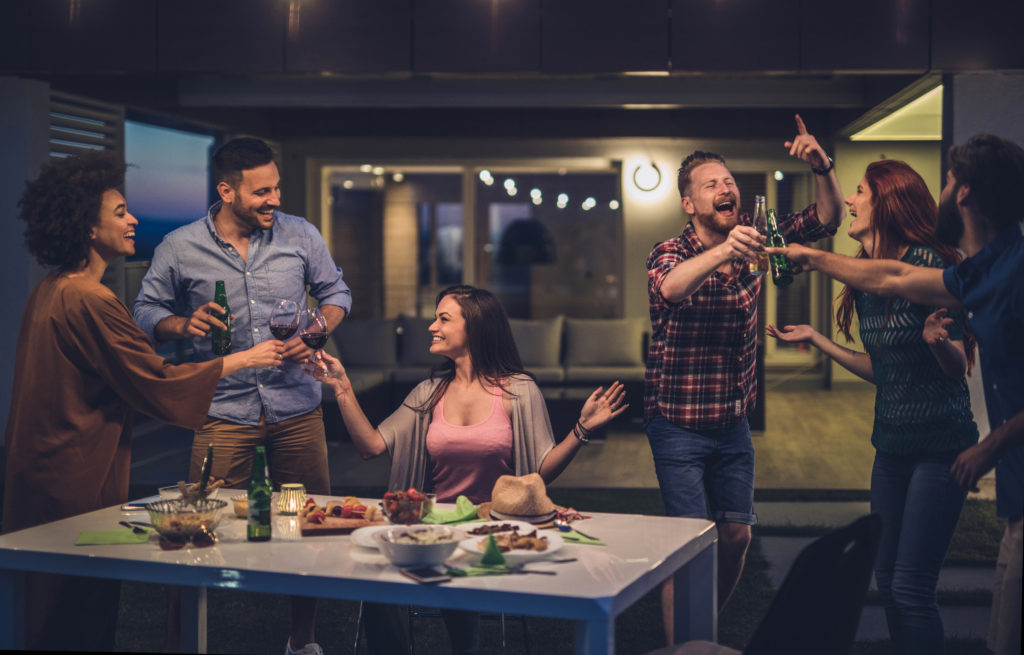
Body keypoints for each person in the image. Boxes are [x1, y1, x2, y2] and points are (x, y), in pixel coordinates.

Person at [1, 151, 284, 651]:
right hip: (74, 474)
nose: (133, 220)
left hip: (38, 468)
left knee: (38, 607)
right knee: (75, 608)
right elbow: (153, 378)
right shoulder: (89, 299)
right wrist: (241, 360)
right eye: (119, 214)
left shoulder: (51, 289)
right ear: (87, 229)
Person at [770, 134, 1023, 655]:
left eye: (950, 181)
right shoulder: (976, 270)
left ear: (967, 194)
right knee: (891, 582)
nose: (943, 190)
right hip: (898, 450)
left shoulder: (1003, 269)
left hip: (943, 446)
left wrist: (993, 442)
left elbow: (906, 290)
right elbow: (890, 289)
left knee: (911, 587)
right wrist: (818, 333)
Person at [309, 284, 628, 654]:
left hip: (494, 529)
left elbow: (541, 470)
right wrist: (342, 387)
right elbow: (371, 447)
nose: (432, 326)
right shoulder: (429, 392)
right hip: (435, 526)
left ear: (474, 327)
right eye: (434, 317)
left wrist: (581, 429)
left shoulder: (519, 391)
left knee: (457, 567)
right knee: (378, 573)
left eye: (444, 318)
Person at [133, 137, 351, 655]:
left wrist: (316, 329)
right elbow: (144, 311)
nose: (274, 199)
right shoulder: (181, 246)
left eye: (276, 188)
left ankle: (303, 639)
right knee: (196, 528)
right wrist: (181, 322)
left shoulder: (301, 234)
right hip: (222, 411)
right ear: (227, 190)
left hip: (297, 407)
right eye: (261, 192)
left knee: (308, 523)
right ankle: (184, 642)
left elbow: (337, 293)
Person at [644, 115, 844, 642]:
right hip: (677, 422)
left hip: (732, 421)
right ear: (689, 204)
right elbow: (671, 289)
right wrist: (727, 250)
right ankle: (684, 646)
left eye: (728, 181)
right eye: (710, 184)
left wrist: (821, 165)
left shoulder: (758, 239)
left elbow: (827, 218)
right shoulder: (672, 251)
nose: (725, 188)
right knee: (688, 542)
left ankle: (698, 634)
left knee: (734, 537)